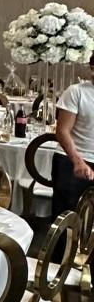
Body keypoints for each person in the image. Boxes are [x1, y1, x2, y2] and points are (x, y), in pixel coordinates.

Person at [54, 56, 94, 213]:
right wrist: (77, 161)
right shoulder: (76, 92)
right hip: (72, 160)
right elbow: (62, 131)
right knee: (68, 217)